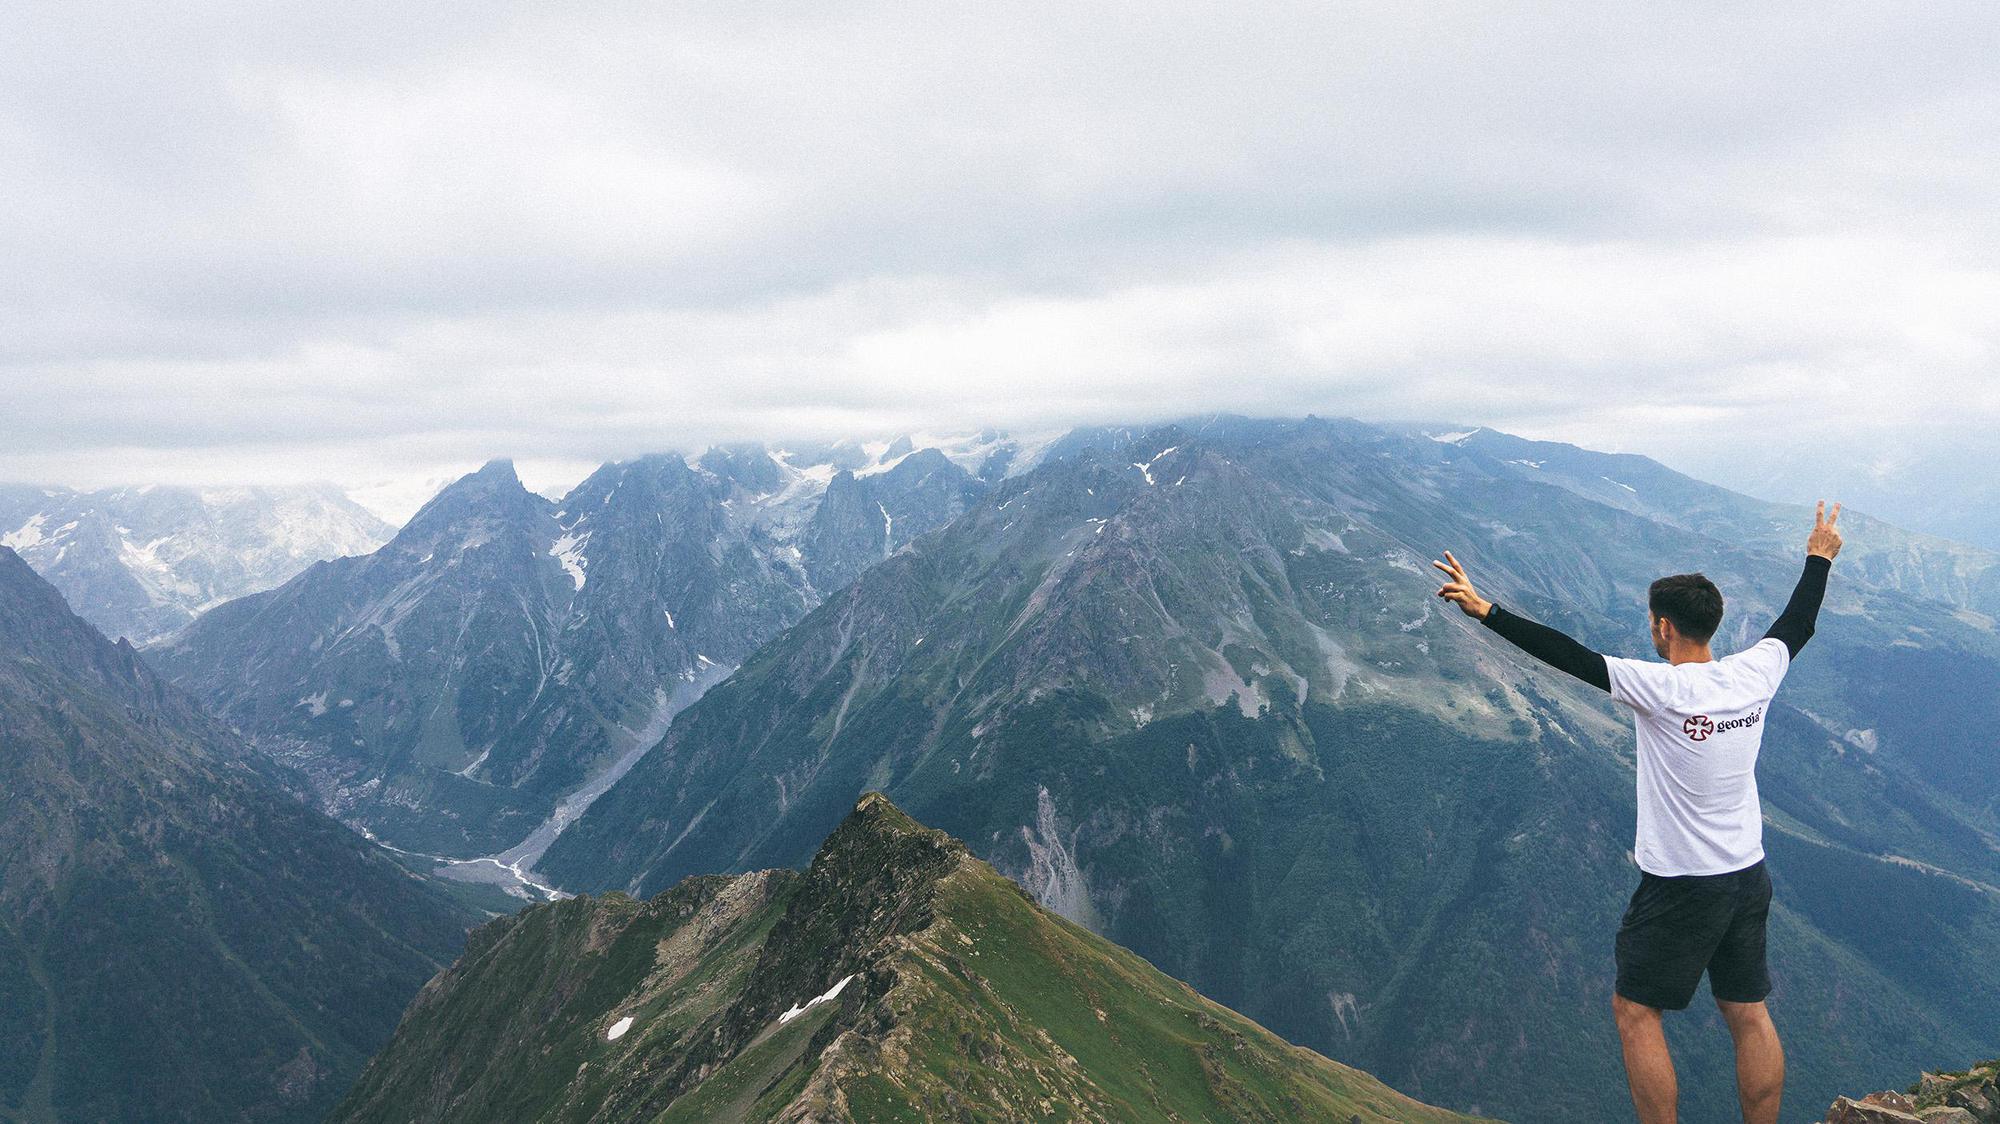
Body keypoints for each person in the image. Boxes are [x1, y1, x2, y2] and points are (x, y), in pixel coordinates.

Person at [1431, 501, 1843, 1124]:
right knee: (1748, 1012)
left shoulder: (1661, 689)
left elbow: (1567, 655)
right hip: (1748, 873)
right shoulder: (1755, 673)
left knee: (1635, 1011)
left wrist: (1485, 610)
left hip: (1681, 885)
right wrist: (1818, 557)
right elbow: (1797, 623)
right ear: (1713, 624)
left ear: (1663, 628)